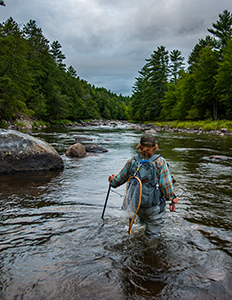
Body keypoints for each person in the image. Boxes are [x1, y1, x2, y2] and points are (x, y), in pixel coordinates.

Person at [108, 133, 178, 239]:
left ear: (139, 146)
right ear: (155, 147)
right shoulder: (160, 162)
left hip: (136, 206)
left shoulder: (133, 161)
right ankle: (150, 251)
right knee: (152, 236)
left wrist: (112, 180)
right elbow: (166, 185)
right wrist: (173, 198)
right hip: (153, 207)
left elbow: (116, 182)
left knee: (141, 225)